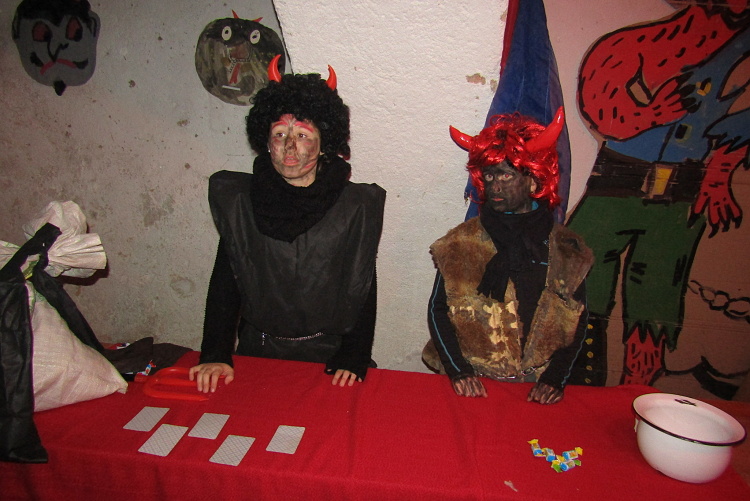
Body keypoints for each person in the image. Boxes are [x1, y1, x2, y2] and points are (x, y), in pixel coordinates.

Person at [190, 56, 386, 393]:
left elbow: (361, 287)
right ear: (267, 142)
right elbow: (226, 282)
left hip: (330, 357)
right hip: (257, 351)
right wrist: (216, 352)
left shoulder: (354, 207)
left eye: (303, 135)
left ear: (324, 144)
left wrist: (353, 356)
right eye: (280, 134)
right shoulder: (241, 202)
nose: (290, 147)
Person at [422, 108, 593, 404]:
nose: (495, 185)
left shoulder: (567, 248)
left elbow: (578, 316)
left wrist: (555, 378)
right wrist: (459, 371)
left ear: (533, 180)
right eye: (489, 175)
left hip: (537, 386)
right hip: (472, 383)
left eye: (506, 174)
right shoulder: (459, 243)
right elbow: (439, 309)